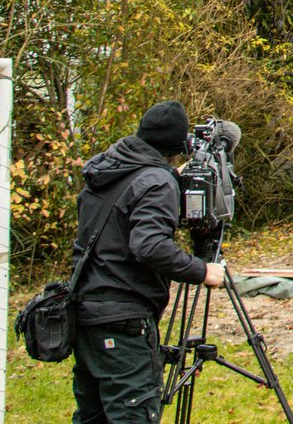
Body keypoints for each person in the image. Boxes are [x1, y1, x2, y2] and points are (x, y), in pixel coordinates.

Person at [72, 101, 227, 423]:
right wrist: (203, 271)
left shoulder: (109, 170)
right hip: (124, 319)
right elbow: (149, 246)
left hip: (85, 311)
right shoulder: (156, 181)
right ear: (178, 144)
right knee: (133, 415)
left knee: (93, 416)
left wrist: (171, 176)